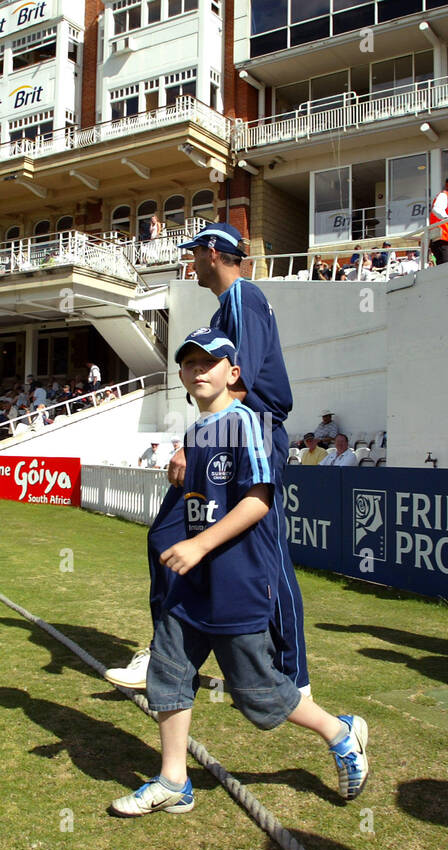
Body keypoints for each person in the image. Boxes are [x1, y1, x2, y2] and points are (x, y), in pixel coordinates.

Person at [109, 328, 369, 816]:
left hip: (238, 578)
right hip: (192, 582)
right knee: (169, 674)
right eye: (189, 363)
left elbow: (259, 500)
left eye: (210, 362)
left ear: (233, 374)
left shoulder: (247, 422)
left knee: (257, 692)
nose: (198, 370)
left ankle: (340, 732)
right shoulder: (196, 433)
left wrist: (199, 544)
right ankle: (173, 780)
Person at [104, 222, 310, 697]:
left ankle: (294, 678)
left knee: (269, 554)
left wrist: (194, 443)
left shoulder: (244, 297)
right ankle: (170, 659)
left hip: (251, 433)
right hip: (228, 434)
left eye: (193, 253)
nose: (189, 262)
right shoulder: (227, 308)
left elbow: (244, 382)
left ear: (212, 252)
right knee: (169, 536)